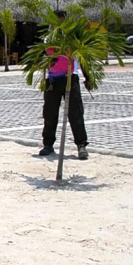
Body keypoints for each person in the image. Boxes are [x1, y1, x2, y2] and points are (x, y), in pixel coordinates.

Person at [39, 10, 91, 160]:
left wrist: (87, 77)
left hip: (70, 77)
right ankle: (48, 145)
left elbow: (82, 58)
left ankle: (81, 145)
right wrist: (49, 61)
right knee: (49, 113)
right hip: (53, 80)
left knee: (75, 113)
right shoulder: (48, 39)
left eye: (62, 22)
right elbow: (42, 58)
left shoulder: (72, 38)